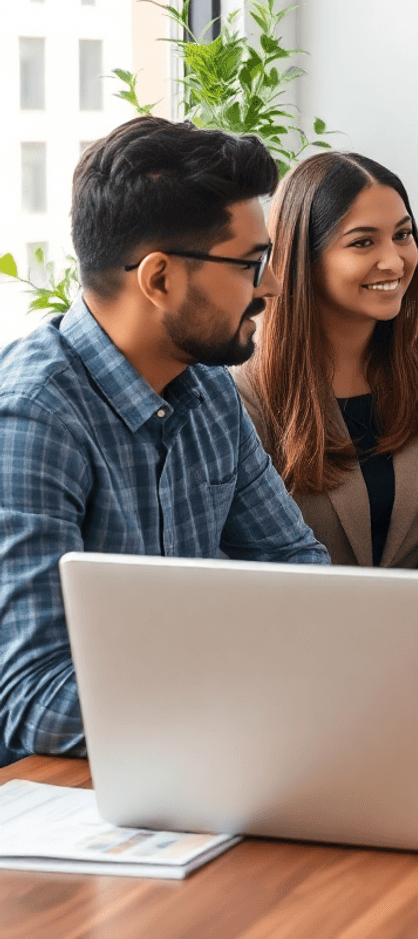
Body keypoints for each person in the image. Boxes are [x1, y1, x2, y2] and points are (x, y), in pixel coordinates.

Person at [0, 116, 331, 767]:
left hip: (197, 761)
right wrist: (249, 699)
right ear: (158, 279)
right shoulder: (32, 420)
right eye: (251, 264)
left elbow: (299, 577)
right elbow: (33, 700)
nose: (270, 287)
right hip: (69, 802)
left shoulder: (209, 390)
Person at [236, 152, 418, 650]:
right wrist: (401, 619)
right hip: (306, 655)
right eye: (364, 242)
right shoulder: (242, 390)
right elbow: (251, 569)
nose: (395, 260)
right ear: (303, 258)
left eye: (403, 235)